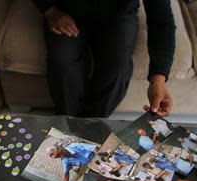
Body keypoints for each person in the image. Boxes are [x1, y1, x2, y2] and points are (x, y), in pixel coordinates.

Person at [33, 0, 176, 118]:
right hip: (66, 10)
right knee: (62, 63)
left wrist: (158, 81)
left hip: (118, 16)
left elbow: (162, 21)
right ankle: (68, 120)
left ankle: (95, 121)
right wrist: (50, 11)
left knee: (119, 66)